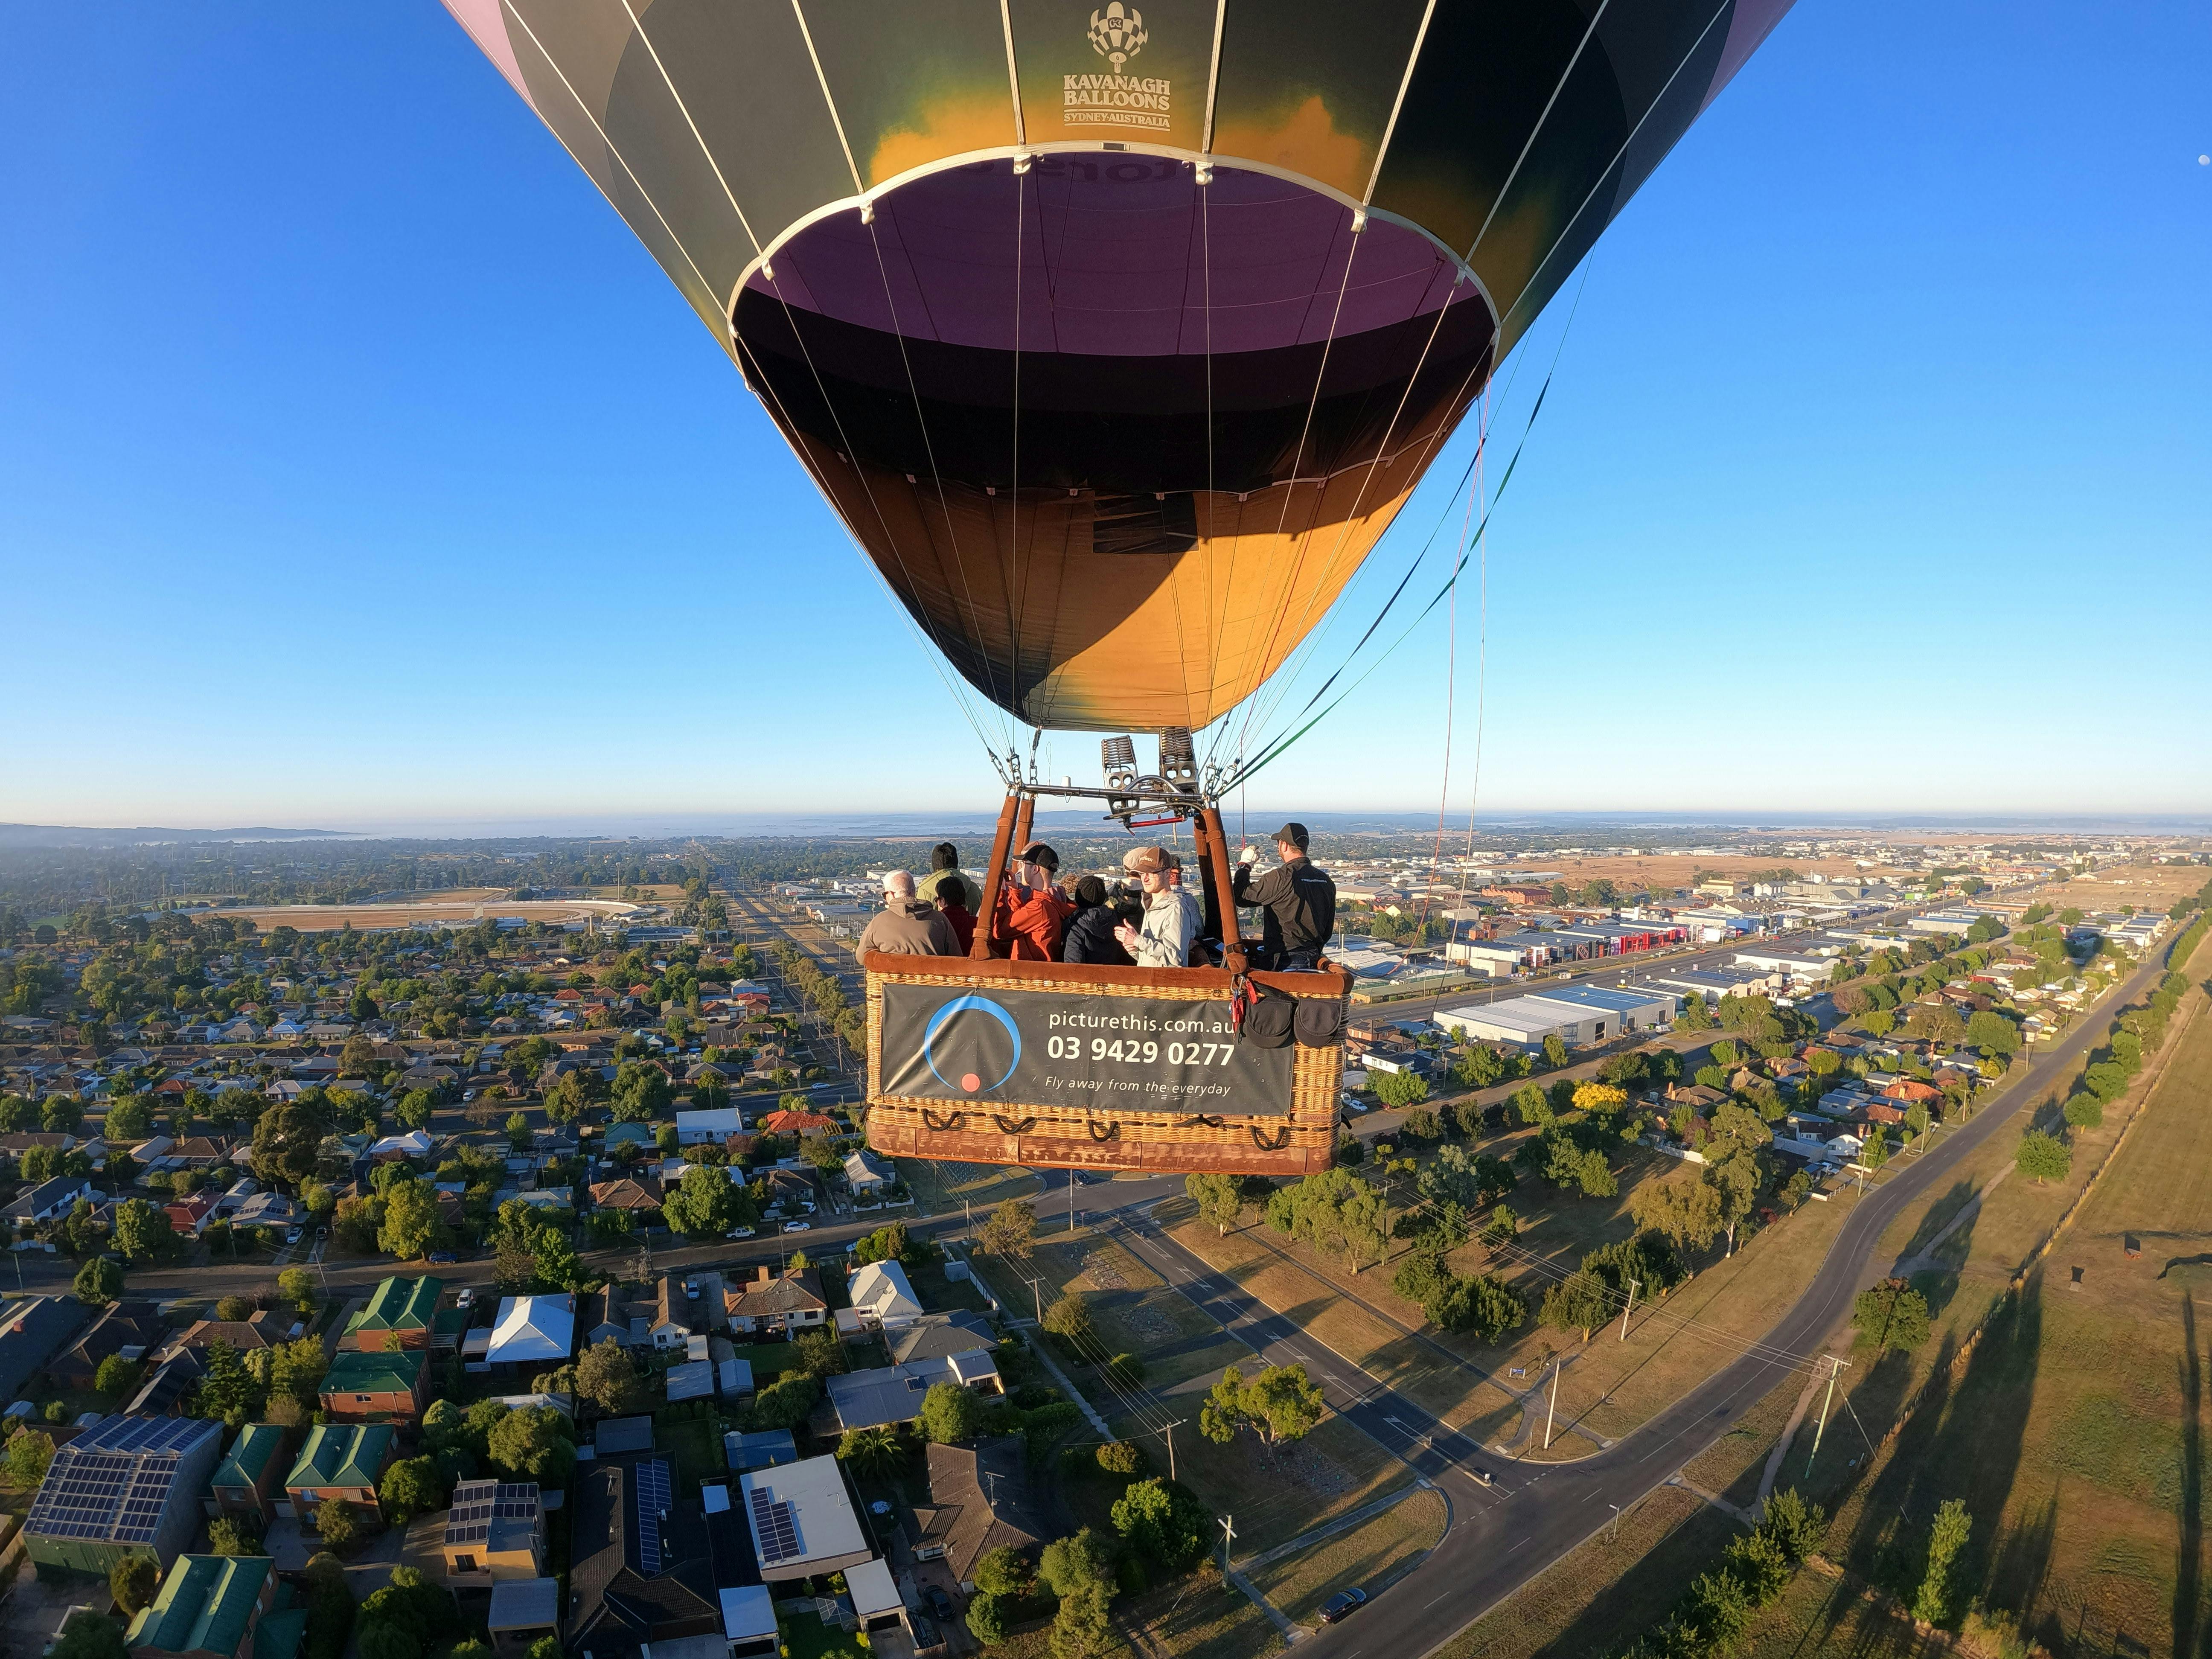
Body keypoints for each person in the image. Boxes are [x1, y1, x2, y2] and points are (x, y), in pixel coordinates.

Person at [1231, 821, 1337, 971]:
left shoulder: (1280, 878)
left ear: (1285, 846)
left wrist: (1245, 866)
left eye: (1279, 843)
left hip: (1284, 961)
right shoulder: (1326, 881)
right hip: (1312, 961)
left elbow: (1241, 896)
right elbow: (1327, 930)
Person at [1118, 846, 1201, 969]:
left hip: (1164, 987)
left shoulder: (1176, 909)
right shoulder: (1150, 905)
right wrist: (1135, 949)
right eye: (1142, 874)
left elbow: (1175, 957)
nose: (1145, 879)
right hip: (1149, 984)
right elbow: (1154, 960)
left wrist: (1137, 940)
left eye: (1151, 874)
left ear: (1168, 873)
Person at [990, 842, 1073, 960]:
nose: (1020, 869)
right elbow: (1022, 922)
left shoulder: (1039, 907)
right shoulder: (1054, 901)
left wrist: (1001, 892)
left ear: (1035, 869)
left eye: (1024, 865)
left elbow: (998, 931)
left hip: (1028, 974)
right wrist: (1014, 890)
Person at [854, 870, 960, 957]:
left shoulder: (879, 922)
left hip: (891, 983)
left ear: (891, 894)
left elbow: (862, 957)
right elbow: (956, 957)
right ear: (913, 891)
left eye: (885, 894)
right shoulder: (939, 919)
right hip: (932, 982)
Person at [1061, 875, 1134, 966]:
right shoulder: (1118, 923)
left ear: (1078, 898)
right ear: (1103, 898)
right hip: (1116, 977)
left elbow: (1073, 968)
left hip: (1088, 979)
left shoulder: (1076, 930)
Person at [917, 842, 981, 914]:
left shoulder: (925, 891)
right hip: (971, 925)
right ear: (956, 862)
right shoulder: (974, 889)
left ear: (935, 865)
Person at [934, 880, 977, 954]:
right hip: (976, 965)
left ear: (942, 901)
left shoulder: (935, 925)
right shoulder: (977, 923)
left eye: (937, 900)